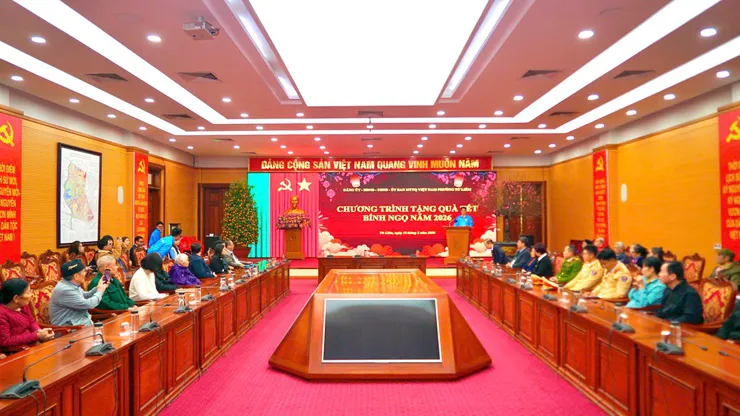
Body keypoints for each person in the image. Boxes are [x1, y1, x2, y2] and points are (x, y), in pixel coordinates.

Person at [50, 259, 109, 327]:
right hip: (71, 330)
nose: (86, 273)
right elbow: (88, 304)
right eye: (84, 271)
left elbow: (85, 295)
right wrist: (100, 291)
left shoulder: (70, 283)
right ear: (76, 276)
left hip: (83, 325)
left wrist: (98, 287)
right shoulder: (65, 290)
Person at [0, 278, 54, 351]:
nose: (31, 295)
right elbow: (5, 341)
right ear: (16, 298)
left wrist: (41, 332)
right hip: (18, 351)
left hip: (33, 346)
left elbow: (32, 322)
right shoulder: (2, 314)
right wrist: (36, 336)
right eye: (28, 293)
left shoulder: (23, 306)